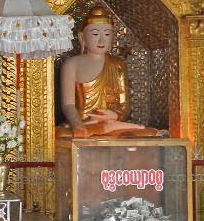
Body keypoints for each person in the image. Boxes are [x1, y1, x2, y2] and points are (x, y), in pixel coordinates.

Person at [58, 7, 163, 138]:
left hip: (111, 125)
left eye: (107, 34)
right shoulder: (71, 64)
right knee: (60, 134)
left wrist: (115, 115)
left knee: (149, 133)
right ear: (82, 37)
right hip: (82, 124)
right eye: (95, 34)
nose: (101, 41)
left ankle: (102, 130)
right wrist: (77, 124)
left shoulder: (117, 64)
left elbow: (123, 106)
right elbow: (68, 105)